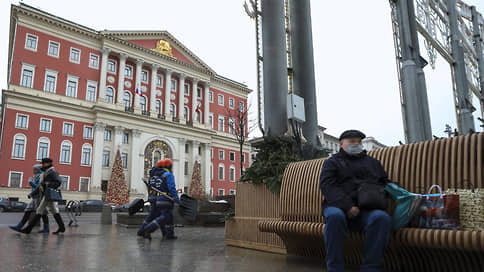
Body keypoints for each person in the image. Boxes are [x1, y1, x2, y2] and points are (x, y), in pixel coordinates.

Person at [320, 130, 391, 272]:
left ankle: (371, 268)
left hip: (367, 209)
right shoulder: (332, 162)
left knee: (381, 218)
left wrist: (394, 190)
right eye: (352, 141)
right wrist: (348, 206)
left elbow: (384, 182)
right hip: (338, 206)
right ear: (341, 144)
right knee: (334, 217)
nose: (356, 144)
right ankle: (335, 268)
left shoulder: (373, 163)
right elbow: (328, 186)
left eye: (359, 142)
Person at [14, 158, 66, 235]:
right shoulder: (47, 172)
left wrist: (48, 185)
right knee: (54, 211)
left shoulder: (52, 172)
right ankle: (62, 228)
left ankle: (28, 229)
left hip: (48, 194)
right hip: (47, 195)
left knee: (39, 210)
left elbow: (58, 181)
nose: (42, 165)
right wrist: (32, 194)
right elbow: (40, 186)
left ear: (47, 164)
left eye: (43, 163)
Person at [139, 158, 180, 240]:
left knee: (165, 216)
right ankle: (148, 228)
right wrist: (176, 199)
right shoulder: (168, 175)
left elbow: (151, 189)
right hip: (165, 199)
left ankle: (168, 234)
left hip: (157, 199)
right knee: (165, 216)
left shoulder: (154, 176)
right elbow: (171, 188)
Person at [9, 164, 50, 233]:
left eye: (34, 169)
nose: (33, 171)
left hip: (39, 197)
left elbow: (39, 187)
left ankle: (46, 228)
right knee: (28, 210)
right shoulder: (36, 176)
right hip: (35, 197)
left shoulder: (41, 176)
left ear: (38, 169)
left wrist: (31, 182)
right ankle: (19, 226)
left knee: (42, 213)